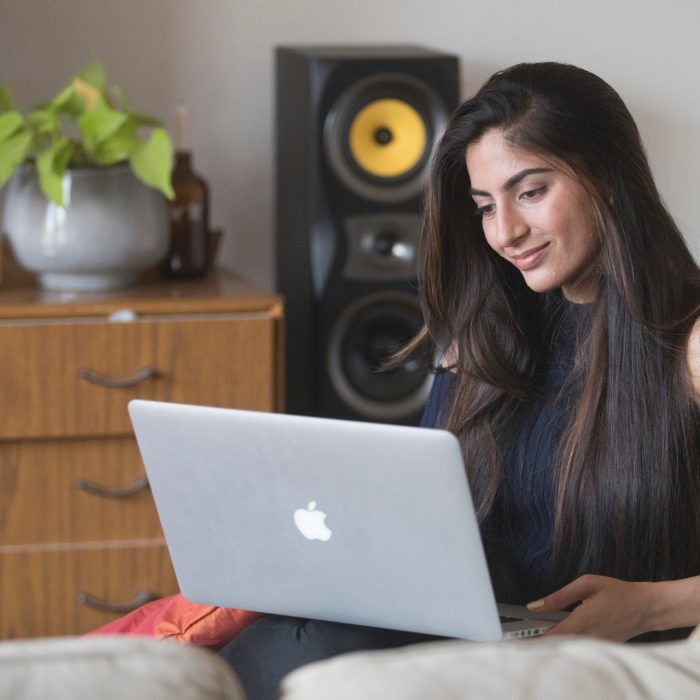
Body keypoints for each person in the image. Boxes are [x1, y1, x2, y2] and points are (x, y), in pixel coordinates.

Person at [218, 62, 700, 697]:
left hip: (601, 658)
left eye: (531, 192)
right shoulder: (489, 335)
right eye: (484, 206)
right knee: (288, 637)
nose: (505, 233)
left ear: (609, 175)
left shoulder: (688, 339)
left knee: (303, 655)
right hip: (480, 642)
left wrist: (649, 607)